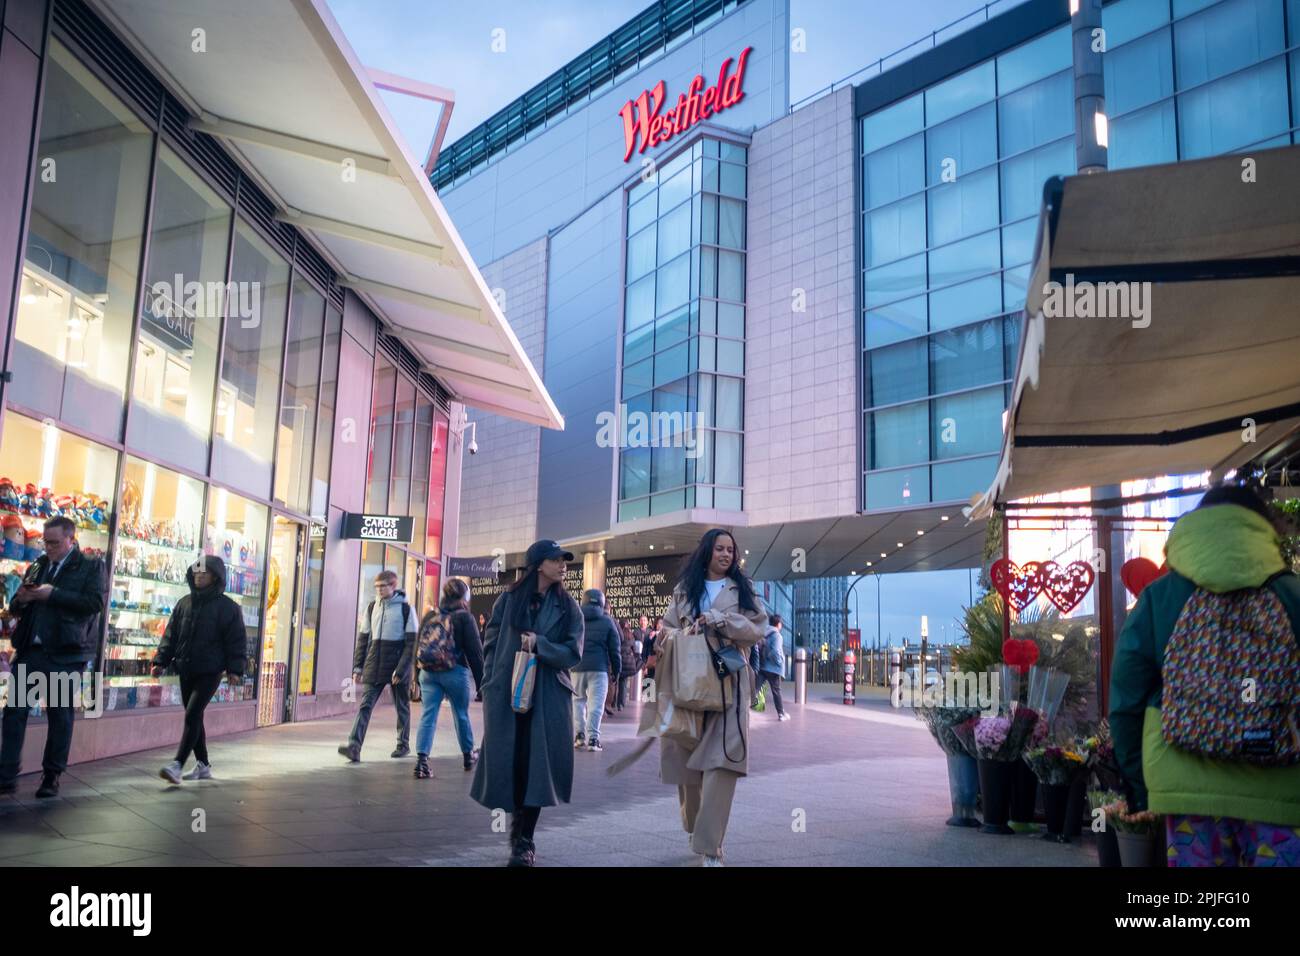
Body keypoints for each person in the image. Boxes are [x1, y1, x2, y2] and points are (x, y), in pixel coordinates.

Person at [1110, 485, 1300, 867]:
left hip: (1187, 792)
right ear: (1264, 530)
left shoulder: (1158, 597)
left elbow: (1126, 700)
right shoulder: (1293, 595)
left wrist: (1139, 789)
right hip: (1283, 790)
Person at [654, 528, 767, 866]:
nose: (726, 555)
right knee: (688, 766)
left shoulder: (743, 590)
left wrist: (720, 620)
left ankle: (710, 846)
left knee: (723, 763)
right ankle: (695, 826)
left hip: (727, 682)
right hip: (687, 682)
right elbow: (665, 627)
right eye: (719, 548)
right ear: (707, 551)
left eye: (730, 550)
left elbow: (756, 630)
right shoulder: (684, 589)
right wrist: (672, 635)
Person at [470, 540, 583, 867]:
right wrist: (489, 682)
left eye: (564, 561)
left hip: (546, 696)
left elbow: (573, 653)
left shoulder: (569, 607)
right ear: (537, 564)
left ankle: (524, 839)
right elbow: (489, 643)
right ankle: (517, 829)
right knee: (513, 763)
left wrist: (541, 644)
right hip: (507, 692)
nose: (563, 565)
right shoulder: (508, 600)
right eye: (555, 560)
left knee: (537, 767)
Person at [0, 516, 107, 799]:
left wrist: (53, 595)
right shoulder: (39, 565)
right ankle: (6, 775)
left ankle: (52, 775)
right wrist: (21, 599)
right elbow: (16, 606)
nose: (48, 547)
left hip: (64, 653)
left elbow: (94, 604)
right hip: (31, 650)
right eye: (46, 542)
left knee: (59, 716)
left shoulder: (89, 567)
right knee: (14, 713)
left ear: (71, 539)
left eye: (55, 543)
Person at [152, 556, 246, 783]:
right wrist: (160, 660)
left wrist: (235, 669)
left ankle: (177, 764)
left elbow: (236, 640)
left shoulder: (228, 607)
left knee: (193, 713)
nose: (199, 576)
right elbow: (171, 634)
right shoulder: (184, 603)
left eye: (204, 573)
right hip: (186, 667)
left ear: (216, 576)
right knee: (195, 717)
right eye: (196, 573)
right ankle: (203, 765)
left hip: (211, 670)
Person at [338, 571, 416, 762]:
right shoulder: (372, 608)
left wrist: (402, 669)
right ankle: (354, 746)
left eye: (383, 586)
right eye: (377, 587)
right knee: (365, 705)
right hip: (375, 663)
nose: (380, 590)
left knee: (402, 706)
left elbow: (411, 643)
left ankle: (403, 744)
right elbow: (363, 639)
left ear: (393, 585)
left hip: (397, 665)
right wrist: (357, 667)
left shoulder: (406, 609)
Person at [413, 578, 485, 779]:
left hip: (428, 673)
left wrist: (415, 676)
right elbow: (475, 654)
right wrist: (482, 684)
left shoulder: (430, 616)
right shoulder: (465, 618)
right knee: (461, 713)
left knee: (428, 714)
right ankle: (468, 756)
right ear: (464, 597)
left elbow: (417, 646)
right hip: (455, 672)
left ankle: (422, 762)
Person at [572, 589, 620, 752]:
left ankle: (579, 736)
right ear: (601, 602)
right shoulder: (608, 621)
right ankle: (593, 739)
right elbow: (615, 649)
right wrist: (617, 670)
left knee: (578, 703)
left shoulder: (576, 618)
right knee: (596, 705)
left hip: (577, 668)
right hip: (599, 669)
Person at [753, 614, 789, 721]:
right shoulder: (777, 635)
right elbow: (775, 651)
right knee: (776, 691)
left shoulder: (765, 633)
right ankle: (781, 714)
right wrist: (779, 662)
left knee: (754, 689)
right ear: (778, 624)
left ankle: (741, 709)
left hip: (763, 667)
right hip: (773, 669)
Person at [618, 620, 639, 710]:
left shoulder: (618, 634)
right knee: (623, 683)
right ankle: (621, 704)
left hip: (619, 660)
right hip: (627, 663)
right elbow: (635, 649)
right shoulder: (631, 636)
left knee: (615, 683)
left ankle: (613, 703)